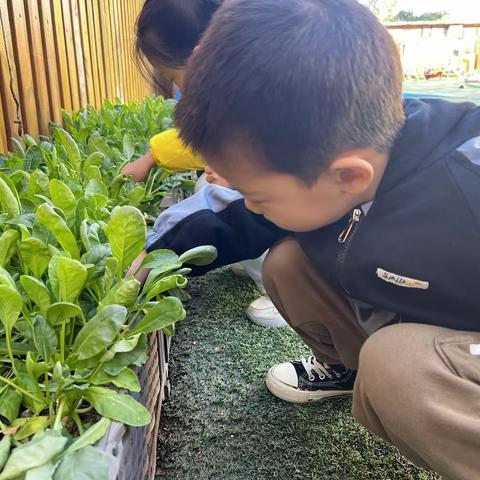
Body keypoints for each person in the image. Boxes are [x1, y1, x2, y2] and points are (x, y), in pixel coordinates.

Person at [137, 0, 480, 478]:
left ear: (348, 176)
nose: (252, 205)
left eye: (259, 195)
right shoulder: (331, 165)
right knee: (288, 262)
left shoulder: (465, 193)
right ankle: (348, 369)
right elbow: (239, 218)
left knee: (397, 369)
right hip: (427, 316)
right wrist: (156, 256)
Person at [124, 0, 287, 328]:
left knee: (238, 203)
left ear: (202, 57)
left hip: (337, 240)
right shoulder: (258, 76)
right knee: (212, 187)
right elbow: (196, 146)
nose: (177, 87)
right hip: (326, 218)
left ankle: (283, 289)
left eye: (173, 76)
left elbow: (237, 202)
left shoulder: (262, 102)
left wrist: (155, 250)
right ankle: (261, 257)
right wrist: (153, 157)